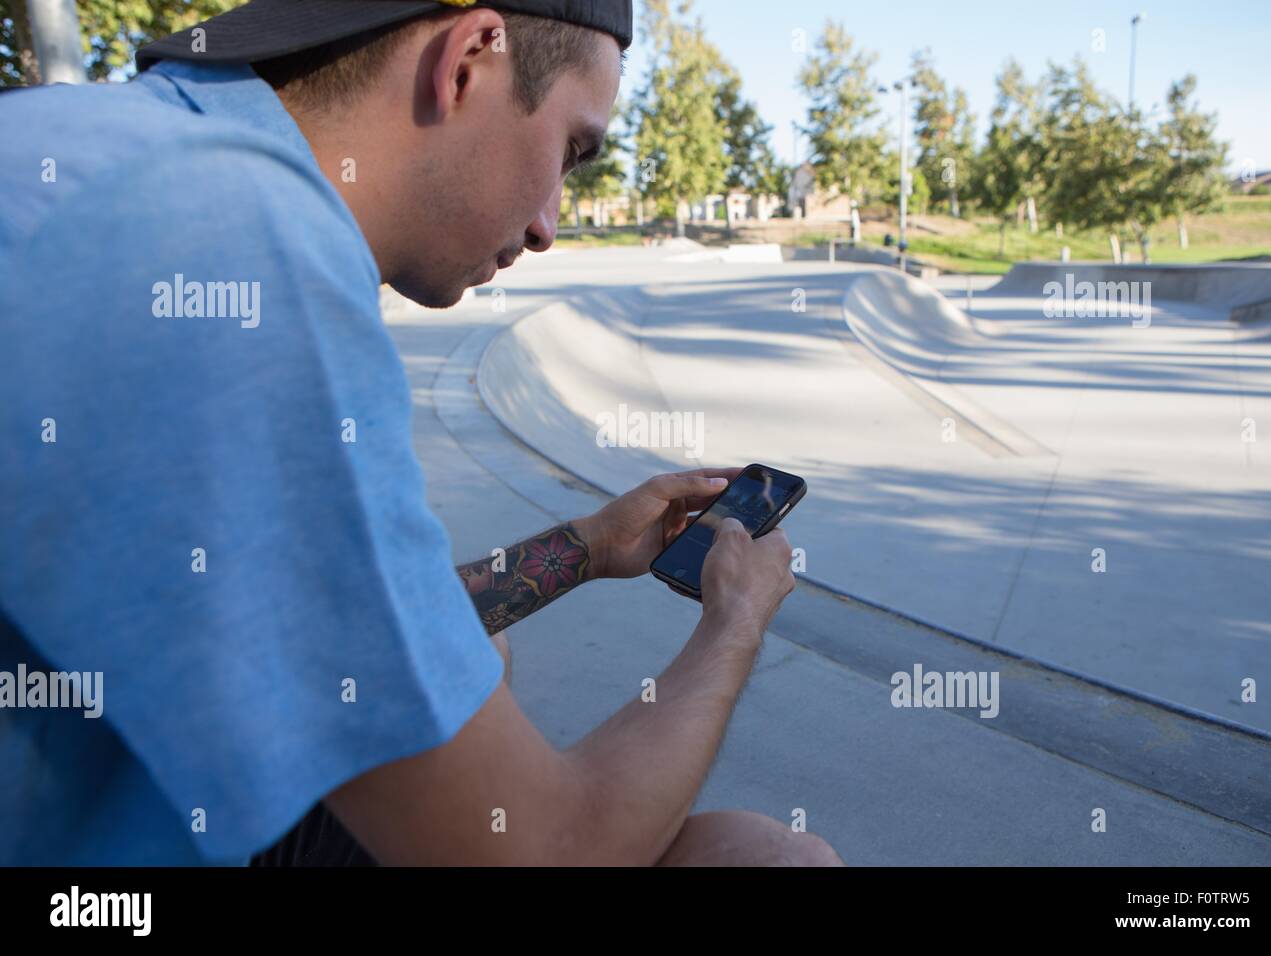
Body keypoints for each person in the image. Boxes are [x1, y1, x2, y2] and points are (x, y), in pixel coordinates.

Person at [0, 0, 844, 866]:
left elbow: (360, 618)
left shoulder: (108, 148)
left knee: (480, 643)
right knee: (775, 861)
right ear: (471, 57)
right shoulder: (235, 255)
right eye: (570, 151)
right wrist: (733, 619)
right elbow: (545, 852)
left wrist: (588, 549)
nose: (549, 223)